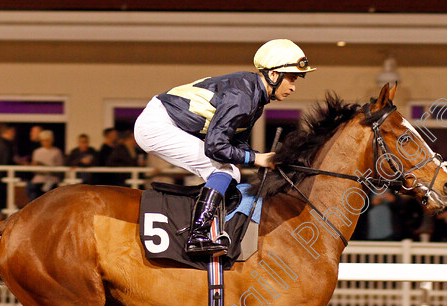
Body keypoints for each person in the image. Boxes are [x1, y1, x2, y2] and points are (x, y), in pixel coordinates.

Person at [134, 39, 314, 255]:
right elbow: (216, 147)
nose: (293, 87)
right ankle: (197, 235)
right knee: (222, 170)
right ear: (274, 75)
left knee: (233, 174)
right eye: (292, 78)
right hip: (157, 125)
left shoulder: (254, 95)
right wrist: (257, 158)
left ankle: (207, 226)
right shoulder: (243, 97)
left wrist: (263, 159)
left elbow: (235, 145)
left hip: (165, 121)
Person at [26, 130, 64, 202]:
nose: (45, 142)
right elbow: (34, 168)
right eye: (43, 140)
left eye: (47, 140)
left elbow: (59, 167)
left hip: (51, 179)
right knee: (30, 190)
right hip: (38, 179)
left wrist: (43, 165)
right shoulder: (37, 152)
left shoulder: (56, 152)